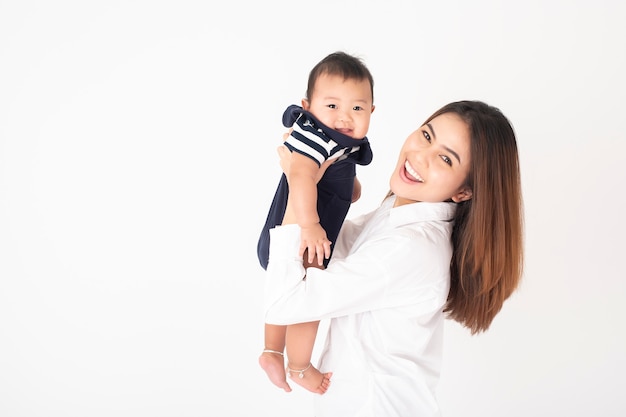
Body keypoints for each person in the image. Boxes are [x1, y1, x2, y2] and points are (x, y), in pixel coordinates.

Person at [262, 100, 524, 416]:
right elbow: (327, 249)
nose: (420, 157)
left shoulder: (410, 247)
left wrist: (298, 178)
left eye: (444, 158)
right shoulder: (401, 212)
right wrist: (313, 168)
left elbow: (285, 301)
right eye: (426, 136)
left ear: (464, 192)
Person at [257, 52, 376, 394]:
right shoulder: (317, 136)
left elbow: (337, 170)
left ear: (371, 111)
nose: (344, 117)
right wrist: (309, 225)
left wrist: (349, 187)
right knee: (311, 295)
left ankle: (270, 351)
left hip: (298, 228)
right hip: (302, 230)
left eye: (357, 108)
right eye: (333, 105)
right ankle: (299, 366)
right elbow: (302, 176)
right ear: (308, 106)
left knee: (286, 289)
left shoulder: (338, 141)